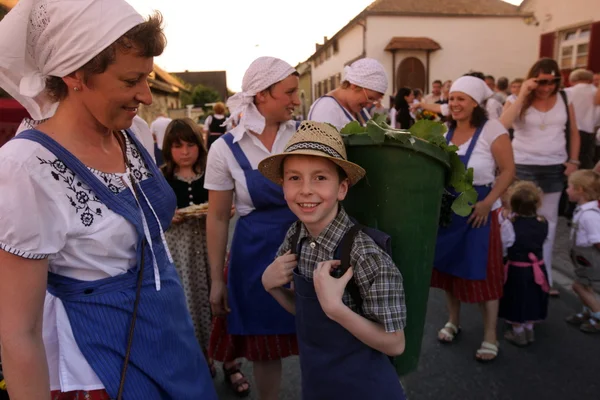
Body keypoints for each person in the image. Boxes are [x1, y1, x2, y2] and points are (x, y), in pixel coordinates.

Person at [0, 2, 217, 399]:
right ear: (75, 74)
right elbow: (18, 332)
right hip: (101, 363)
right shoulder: (26, 167)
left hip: (167, 333)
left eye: (148, 77)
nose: (147, 95)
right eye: (132, 80)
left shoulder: (131, 129)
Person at [258, 121, 406, 400]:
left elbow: (395, 343)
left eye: (320, 178)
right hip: (318, 384)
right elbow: (303, 310)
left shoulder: (365, 253)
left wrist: (335, 309)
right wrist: (271, 285)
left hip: (366, 390)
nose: (305, 190)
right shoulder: (295, 237)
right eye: (294, 178)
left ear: (342, 188)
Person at [205, 56, 301, 400]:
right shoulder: (224, 149)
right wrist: (217, 280)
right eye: (289, 92)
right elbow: (216, 218)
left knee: (321, 335)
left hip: (308, 247)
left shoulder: (305, 136)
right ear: (261, 94)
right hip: (255, 256)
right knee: (266, 345)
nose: (297, 100)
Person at [432, 76, 515, 363]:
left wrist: (487, 203)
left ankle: (490, 335)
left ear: (475, 103)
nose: (454, 104)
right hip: (451, 212)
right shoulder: (445, 131)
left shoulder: (492, 129)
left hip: (480, 213)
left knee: (485, 275)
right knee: (450, 271)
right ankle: (453, 321)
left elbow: (507, 171)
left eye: (461, 98)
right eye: (452, 98)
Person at [500, 58, 581, 296]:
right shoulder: (516, 99)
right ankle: (513, 273)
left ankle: (544, 278)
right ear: (532, 79)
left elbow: (573, 132)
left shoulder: (566, 98)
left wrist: (574, 161)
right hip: (523, 164)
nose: (547, 88)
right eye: (542, 82)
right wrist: (524, 93)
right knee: (517, 219)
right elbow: (502, 124)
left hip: (554, 166)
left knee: (548, 222)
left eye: (552, 82)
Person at [499, 181, 550, 346]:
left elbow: (504, 246)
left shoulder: (510, 225)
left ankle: (518, 333)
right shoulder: (543, 222)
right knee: (533, 297)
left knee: (517, 299)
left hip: (517, 270)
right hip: (538, 267)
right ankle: (530, 329)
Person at [564, 170, 600, 333]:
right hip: (581, 257)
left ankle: (598, 315)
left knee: (578, 286)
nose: (566, 190)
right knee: (586, 287)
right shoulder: (582, 210)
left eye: (569, 187)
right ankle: (588, 313)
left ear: (580, 190)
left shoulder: (589, 215)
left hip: (589, 258)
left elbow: (597, 240)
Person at [307, 58, 388, 130]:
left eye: (374, 101)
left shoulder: (358, 109)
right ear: (355, 85)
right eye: (370, 98)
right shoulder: (326, 109)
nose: (369, 105)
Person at [566, 69, 598, 170]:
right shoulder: (596, 92)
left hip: (569, 131)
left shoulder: (567, 92)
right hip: (589, 132)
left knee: (568, 162)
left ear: (572, 80)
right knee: (586, 163)